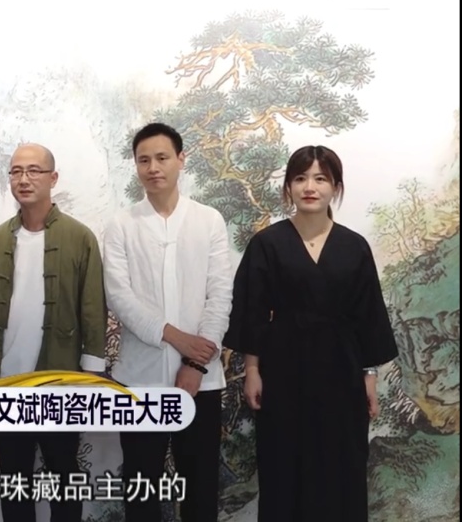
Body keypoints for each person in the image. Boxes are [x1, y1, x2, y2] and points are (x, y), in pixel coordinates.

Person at [223, 145, 399, 522]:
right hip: (283, 370)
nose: (310, 187)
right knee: (283, 465)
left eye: (321, 178)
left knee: (342, 466)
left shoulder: (354, 246)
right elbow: (252, 312)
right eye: (300, 178)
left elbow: (368, 316)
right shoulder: (267, 244)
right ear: (288, 186)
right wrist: (252, 370)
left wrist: (369, 376)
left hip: (343, 371)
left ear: (335, 187)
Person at [102, 123, 232, 522]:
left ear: (181, 159)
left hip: (201, 381)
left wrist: (194, 363)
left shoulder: (209, 220)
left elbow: (220, 295)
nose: (153, 168)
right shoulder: (121, 224)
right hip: (139, 380)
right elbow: (119, 296)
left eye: (162, 158)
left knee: (200, 486)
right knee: (141, 488)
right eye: (144, 160)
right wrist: (175, 337)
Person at [0, 143, 108, 522]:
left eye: (34, 170)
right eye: (16, 171)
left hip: (60, 380)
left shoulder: (80, 237)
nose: (24, 179)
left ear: (53, 178)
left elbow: (93, 308)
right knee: (13, 479)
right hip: (7, 381)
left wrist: (90, 374)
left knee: (64, 475)